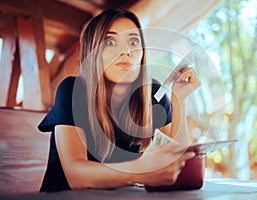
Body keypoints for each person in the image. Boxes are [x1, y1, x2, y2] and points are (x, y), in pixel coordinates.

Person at [38, 9, 201, 192]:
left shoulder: (153, 94)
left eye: (133, 42)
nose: (126, 51)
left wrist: (178, 100)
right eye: (110, 41)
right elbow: (76, 176)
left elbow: (178, 165)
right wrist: (141, 172)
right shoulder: (72, 90)